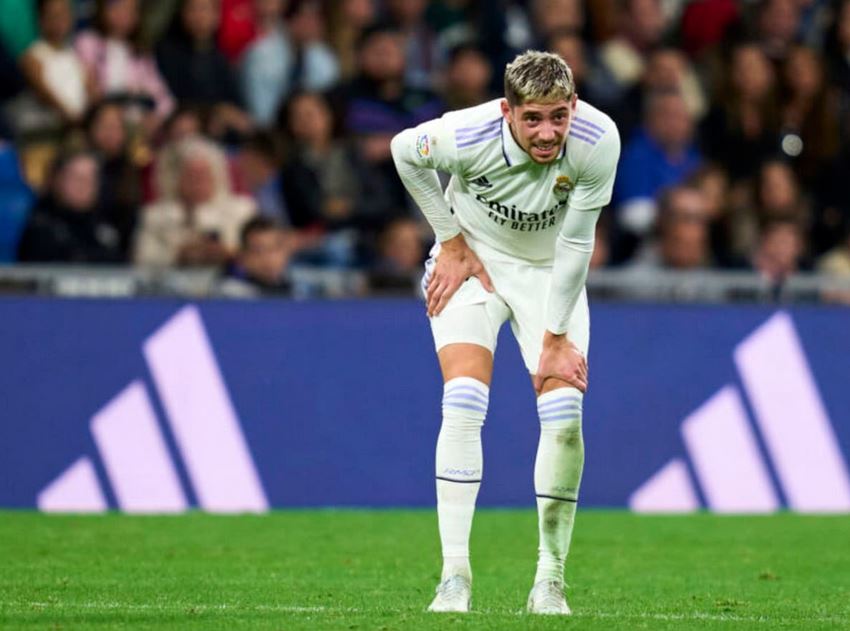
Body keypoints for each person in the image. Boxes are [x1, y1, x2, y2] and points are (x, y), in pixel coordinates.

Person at [391, 50, 619, 615]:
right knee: (464, 399)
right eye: (533, 118)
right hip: (474, 265)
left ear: (573, 107)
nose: (548, 133)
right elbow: (403, 151)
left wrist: (556, 337)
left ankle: (550, 580)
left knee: (564, 416)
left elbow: (577, 243)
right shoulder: (466, 134)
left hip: (550, 276)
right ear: (507, 111)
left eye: (559, 116)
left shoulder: (598, 140)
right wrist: (449, 240)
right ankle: (454, 577)